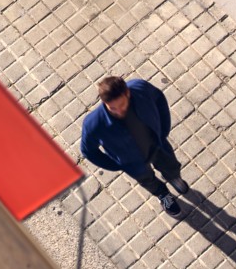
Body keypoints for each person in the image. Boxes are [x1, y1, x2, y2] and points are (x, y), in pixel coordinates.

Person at [80, 76, 189, 217]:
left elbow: (159, 98)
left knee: (171, 165)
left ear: (128, 93)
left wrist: (163, 132)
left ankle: (174, 177)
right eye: (112, 108)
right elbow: (88, 151)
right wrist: (117, 165)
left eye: (122, 105)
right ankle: (162, 194)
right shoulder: (93, 124)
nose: (119, 111)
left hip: (157, 145)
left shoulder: (140, 88)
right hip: (134, 163)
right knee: (148, 181)